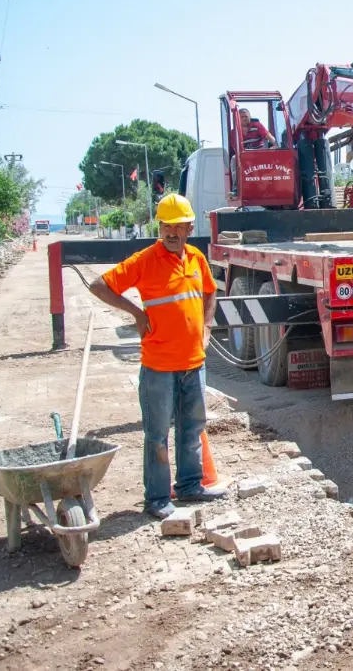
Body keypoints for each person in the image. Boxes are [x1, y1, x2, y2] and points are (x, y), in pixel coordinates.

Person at [88, 193, 226, 519]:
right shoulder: (145, 260)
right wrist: (136, 312)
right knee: (157, 435)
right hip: (159, 367)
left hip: (193, 363)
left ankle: (190, 486)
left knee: (192, 428)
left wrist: (206, 328)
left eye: (179, 227)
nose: (173, 233)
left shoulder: (195, 259)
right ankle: (158, 499)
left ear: (190, 227)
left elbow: (210, 292)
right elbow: (99, 285)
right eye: (167, 226)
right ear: (159, 226)